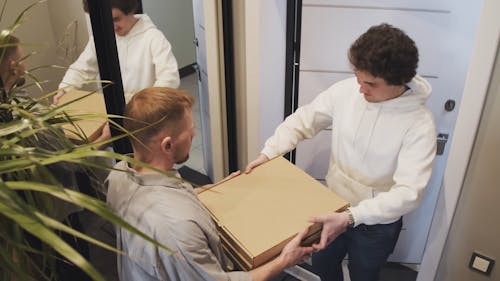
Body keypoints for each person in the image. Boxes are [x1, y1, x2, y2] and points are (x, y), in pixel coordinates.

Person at [245, 23, 437, 281]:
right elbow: (304, 120)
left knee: (364, 274)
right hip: (331, 205)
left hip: (377, 223)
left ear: (399, 81)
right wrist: (269, 153)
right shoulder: (347, 91)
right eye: (358, 78)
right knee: (323, 266)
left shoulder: (419, 124)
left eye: (370, 84)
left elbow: (408, 193)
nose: (360, 89)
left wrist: (352, 217)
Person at [106, 87, 314, 281]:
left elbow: (161, 196)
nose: (194, 135)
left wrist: (215, 189)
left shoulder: (118, 176)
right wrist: (284, 260)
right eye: (190, 131)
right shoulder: (178, 229)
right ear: (168, 145)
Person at [53, 0, 180, 104]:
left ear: (130, 10)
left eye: (116, 19)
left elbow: (169, 79)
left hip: (145, 113)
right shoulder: (101, 37)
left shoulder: (153, 38)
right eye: (105, 20)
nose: (112, 26)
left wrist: (143, 106)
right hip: (113, 109)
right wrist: (65, 89)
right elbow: (82, 68)